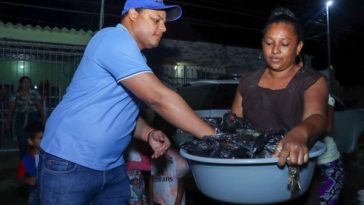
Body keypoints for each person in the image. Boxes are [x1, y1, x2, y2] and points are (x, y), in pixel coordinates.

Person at [38, 0, 215, 204]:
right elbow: (158, 98)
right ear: (132, 14)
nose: (163, 28)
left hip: (112, 168)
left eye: (164, 22)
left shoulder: (137, 59)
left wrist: (147, 132)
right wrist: (213, 138)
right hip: (70, 161)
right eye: (156, 19)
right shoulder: (112, 38)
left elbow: (122, 109)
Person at [231, 8, 328, 167]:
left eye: (284, 44)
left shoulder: (312, 80)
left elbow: (317, 117)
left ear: (298, 47)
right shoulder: (247, 81)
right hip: (250, 165)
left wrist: (299, 134)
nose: (275, 50)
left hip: (292, 167)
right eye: (269, 43)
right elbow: (234, 122)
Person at [6, 76, 45, 158]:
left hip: (33, 117)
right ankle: (23, 163)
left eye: (28, 82)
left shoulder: (34, 93)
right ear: (20, 84)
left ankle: (34, 161)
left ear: (30, 84)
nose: (26, 84)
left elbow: (40, 107)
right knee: (22, 140)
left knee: (34, 140)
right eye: (24, 82)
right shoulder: (15, 94)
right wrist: (8, 122)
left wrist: (44, 119)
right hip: (20, 118)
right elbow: (11, 109)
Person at [17, 121, 43, 205]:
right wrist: (27, 180)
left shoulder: (51, 154)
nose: (45, 140)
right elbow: (20, 176)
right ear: (30, 141)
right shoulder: (26, 160)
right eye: (41, 138)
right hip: (36, 191)